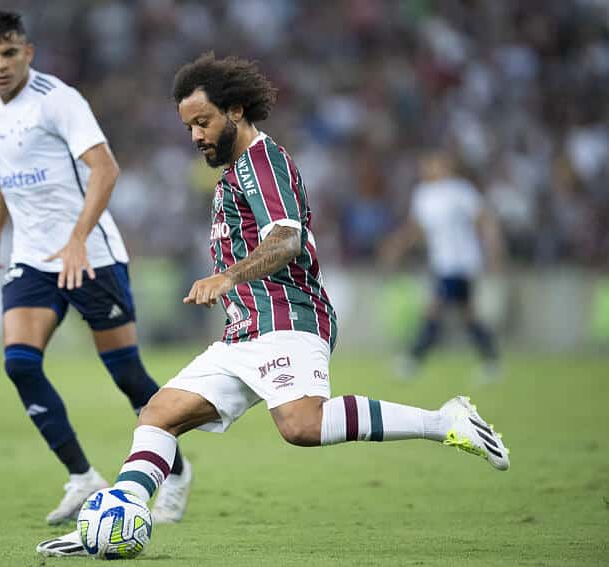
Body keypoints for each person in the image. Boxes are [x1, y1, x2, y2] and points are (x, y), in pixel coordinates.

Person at [37, 53, 510, 557]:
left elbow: (286, 239)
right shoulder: (235, 172)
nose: (196, 136)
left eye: (203, 122)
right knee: (159, 414)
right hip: (245, 330)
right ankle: (110, 521)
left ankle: (444, 421)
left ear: (235, 110)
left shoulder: (263, 163)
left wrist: (227, 276)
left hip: (287, 317)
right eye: (189, 127)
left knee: (302, 425)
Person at [0, 9, 192, 528]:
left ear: (28, 52)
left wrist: (75, 241)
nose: (0, 65)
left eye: (9, 53)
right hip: (33, 259)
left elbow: (106, 169)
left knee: (127, 376)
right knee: (20, 364)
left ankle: (177, 472)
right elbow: (5, 173)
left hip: (91, 257)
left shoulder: (58, 100)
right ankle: (83, 477)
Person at [380, 151, 503, 380]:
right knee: (468, 314)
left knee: (434, 309)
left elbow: (483, 218)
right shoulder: (423, 194)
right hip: (442, 262)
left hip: (461, 262)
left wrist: (493, 246)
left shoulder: (460, 191)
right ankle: (491, 360)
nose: (429, 168)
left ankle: (413, 360)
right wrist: (397, 244)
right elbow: (416, 228)